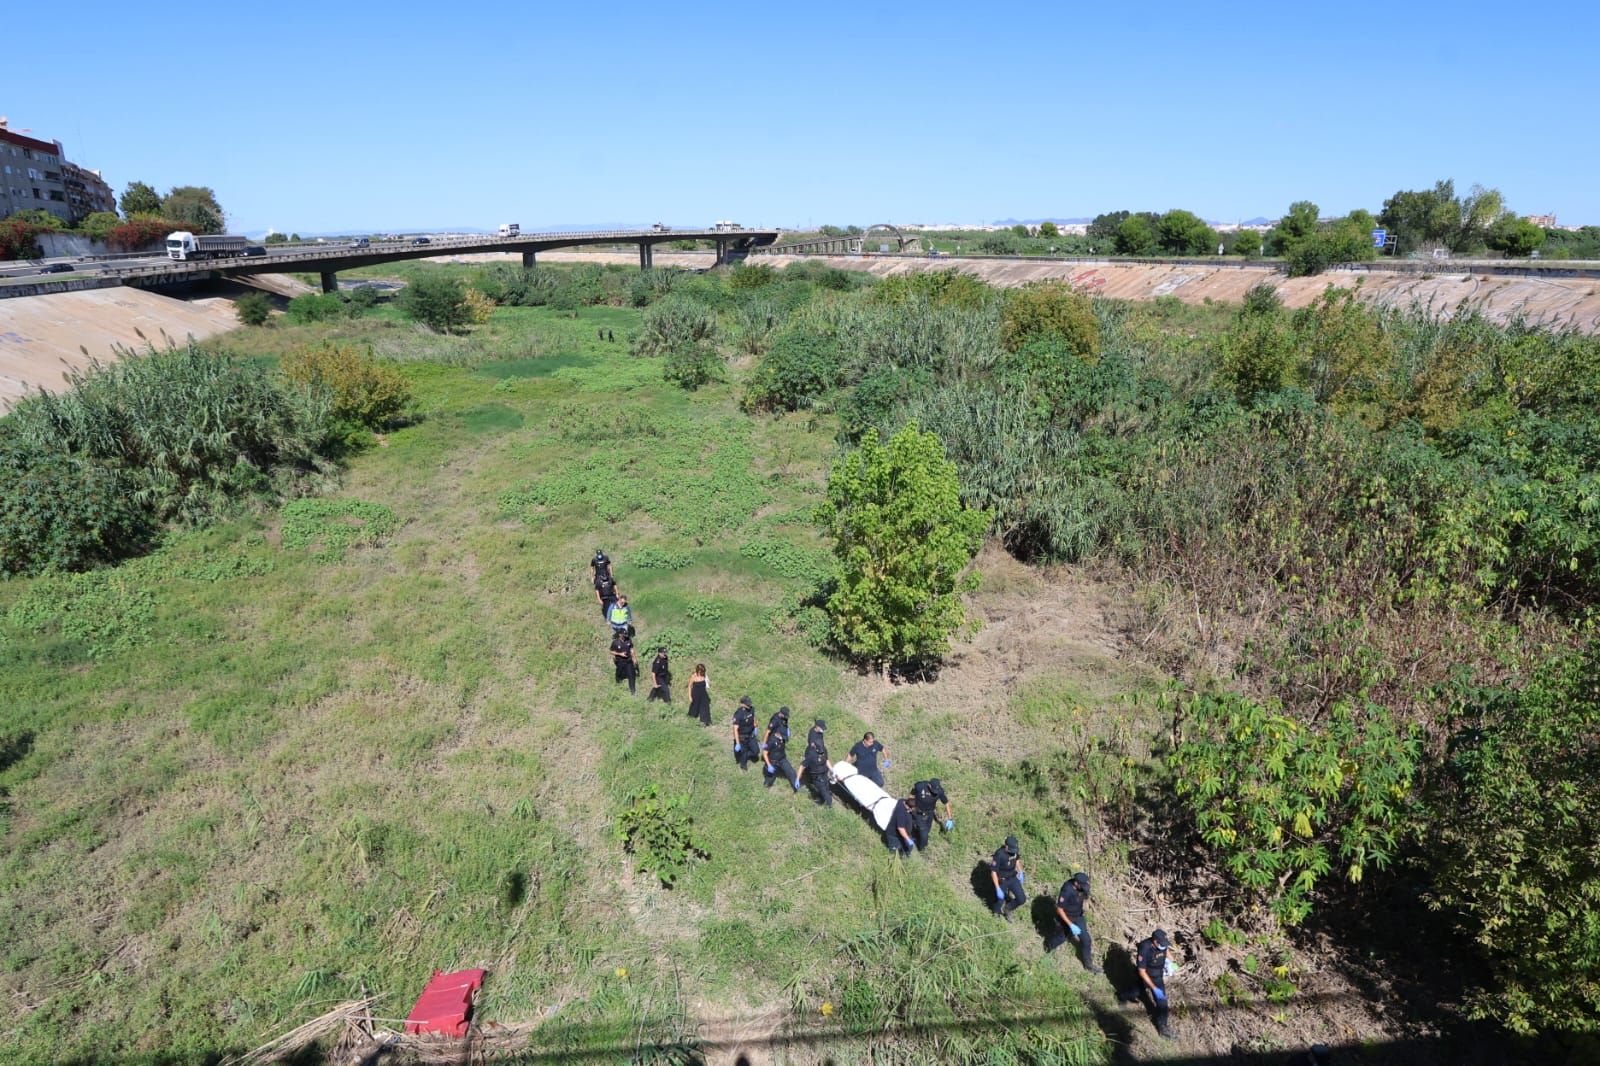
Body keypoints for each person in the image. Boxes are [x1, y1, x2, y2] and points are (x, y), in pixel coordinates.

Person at [1120, 928, 1174, 1039]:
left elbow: (1166, 951)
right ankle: (1122, 996)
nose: (1164, 946)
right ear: (1155, 941)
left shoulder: (1162, 944)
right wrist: (1153, 987)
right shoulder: (1145, 948)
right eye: (1162, 944)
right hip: (1146, 976)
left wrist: (1172, 963)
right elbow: (1142, 971)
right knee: (1135, 992)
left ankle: (1162, 1027)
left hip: (1158, 975)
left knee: (1162, 1002)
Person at [1049, 872, 1100, 973]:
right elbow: (1059, 909)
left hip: (1078, 916)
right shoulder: (1067, 890)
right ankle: (1048, 948)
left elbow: (1084, 895)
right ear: (1076, 883)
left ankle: (1088, 965)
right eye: (1082, 885)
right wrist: (1070, 924)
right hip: (1066, 918)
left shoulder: (1082, 886)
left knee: (1086, 939)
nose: (1084, 887)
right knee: (1061, 938)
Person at [907, 778, 952, 850]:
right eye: (933, 790)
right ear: (929, 785)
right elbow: (911, 796)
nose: (935, 792)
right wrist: (910, 806)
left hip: (930, 813)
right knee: (924, 835)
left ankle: (918, 835)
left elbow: (946, 803)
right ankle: (921, 849)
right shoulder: (920, 786)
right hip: (918, 813)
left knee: (927, 830)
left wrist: (950, 819)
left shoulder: (939, 791)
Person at [762, 706, 799, 792]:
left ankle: (796, 785)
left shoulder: (782, 733)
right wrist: (769, 764)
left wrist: (787, 730)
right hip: (773, 760)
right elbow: (764, 752)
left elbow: (785, 727)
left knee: (791, 771)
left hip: (782, 758)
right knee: (770, 777)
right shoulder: (774, 721)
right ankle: (767, 785)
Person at [990, 835, 1025, 919]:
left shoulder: (1014, 852)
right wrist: (997, 888)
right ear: (1006, 846)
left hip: (1012, 878)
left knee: (1021, 899)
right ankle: (996, 912)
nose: (1013, 852)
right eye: (1011, 850)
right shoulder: (999, 854)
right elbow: (993, 872)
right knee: (1000, 900)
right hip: (1002, 880)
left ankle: (1008, 908)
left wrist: (1020, 872)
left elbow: (1017, 861)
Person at [802, 719, 832, 808]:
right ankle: (823, 797)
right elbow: (813, 750)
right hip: (814, 757)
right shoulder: (812, 736)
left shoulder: (819, 733)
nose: (823, 730)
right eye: (822, 728)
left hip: (820, 755)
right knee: (818, 780)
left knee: (824, 780)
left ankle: (824, 794)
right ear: (817, 727)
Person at [731, 694, 757, 769]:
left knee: (756, 751)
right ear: (742, 704)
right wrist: (737, 742)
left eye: (749, 704)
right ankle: (743, 764)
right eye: (747, 704)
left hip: (751, 734)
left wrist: (756, 727)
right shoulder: (738, 714)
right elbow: (735, 729)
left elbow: (754, 718)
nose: (749, 705)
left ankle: (744, 755)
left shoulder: (752, 709)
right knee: (744, 752)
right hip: (742, 737)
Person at [609, 630, 636, 695]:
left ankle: (633, 691)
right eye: (623, 635)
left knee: (631, 676)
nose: (625, 636)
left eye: (625, 634)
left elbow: (632, 650)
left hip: (628, 661)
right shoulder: (615, 642)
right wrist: (620, 654)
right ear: (620, 635)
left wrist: (634, 658)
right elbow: (611, 651)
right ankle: (618, 688)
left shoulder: (628, 640)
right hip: (620, 661)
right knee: (619, 675)